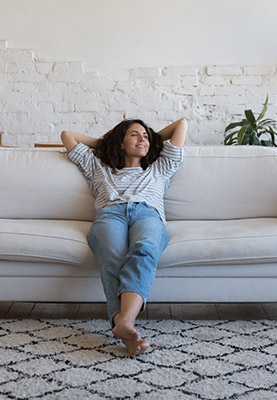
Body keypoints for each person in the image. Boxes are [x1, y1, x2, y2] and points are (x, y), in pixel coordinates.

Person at [61, 117, 187, 356]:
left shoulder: (160, 166)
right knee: (114, 258)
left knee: (145, 248)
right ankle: (126, 328)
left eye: (146, 136)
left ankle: (123, 321)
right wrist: (108, 141)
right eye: (134, 135)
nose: (143, 139)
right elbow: (68, 135)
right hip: (111, 214)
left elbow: (181, 124)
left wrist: (149, 139)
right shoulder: (98, 166)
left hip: (147, 214)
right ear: (120, 142)